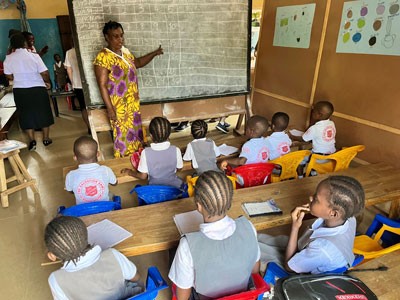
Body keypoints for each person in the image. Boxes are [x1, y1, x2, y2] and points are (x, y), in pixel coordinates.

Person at [169, 171, 260, 299]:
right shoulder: (249, 228)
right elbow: (255, 270)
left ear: (199, 206)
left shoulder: (187, 246)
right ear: (229, 202)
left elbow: (183, 297)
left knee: (172, 253)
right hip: (242, 296)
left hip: (204, 297)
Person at [258, 175, 365, 274]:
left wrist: (295, 227)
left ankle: (252, 246)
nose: (310, 198)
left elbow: (288, 266)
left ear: (333, 213)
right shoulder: (350, 218)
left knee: (259, 253)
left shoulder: (321, 248)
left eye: (316, 199)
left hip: (298, 273)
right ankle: (255, 238)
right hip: (313, 252)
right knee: (273, 239)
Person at [94, 21, 163, 158]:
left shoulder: (125, 52)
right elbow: (102, 85)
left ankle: (138, 159)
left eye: (121, 36)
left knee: (136, 134)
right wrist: (110, 108)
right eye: (115, 36)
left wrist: (154, 53)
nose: (120, 39)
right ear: (107, 37)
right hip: (119, 107)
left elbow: (137, 63)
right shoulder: (103, 57)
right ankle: (125, 161)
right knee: (123, 135)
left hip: (133, 105)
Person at [45, 216, 143, 300]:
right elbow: (136, 277)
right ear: (86, 236)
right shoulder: (112, 255)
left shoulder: (55, 280)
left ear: (52, 256)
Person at [3, 33, 54, 150]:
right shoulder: (34, 56)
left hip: (20, 90)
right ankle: (46, 139)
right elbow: (45, 73)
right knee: (44, 112)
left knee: (25, 114)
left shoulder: (9, 58)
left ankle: (32, 140)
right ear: (24, 42)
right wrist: (47, 82)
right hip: (37, 88)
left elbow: (8, 76)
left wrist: (19, 78)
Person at [122, 117, 184, 188]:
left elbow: (143, 176)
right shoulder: (176, 150)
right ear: (169, 135)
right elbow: (179, 169)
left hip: (155, 191)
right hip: (175, 189)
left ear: (151, 136)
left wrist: (129, 172)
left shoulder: (145, 153)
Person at [65, 136, 117, 204]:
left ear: (75, 158)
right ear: (98, 154)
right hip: (105, 208)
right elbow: (115, 183)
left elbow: (70, 191)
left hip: (83, 212)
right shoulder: (106, 170)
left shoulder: (70, 175)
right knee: (112, 196)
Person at [64, 46, 90, 133]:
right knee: (94, 106)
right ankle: (97, 125)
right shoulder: (87, 48)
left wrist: (73, 83)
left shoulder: (69, 52)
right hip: (92, 83)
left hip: (78, 84)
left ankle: (90, 127)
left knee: (83, 107)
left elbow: (69, 70)